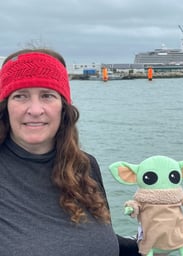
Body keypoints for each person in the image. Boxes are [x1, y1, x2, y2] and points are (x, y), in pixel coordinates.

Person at [0, 48, 140, 256]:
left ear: (64, 108)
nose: (36, 110)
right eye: (21, 96)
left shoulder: (84, 165)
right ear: (6, 107)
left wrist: (153, 244)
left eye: (47, 96)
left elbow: (97, 240)